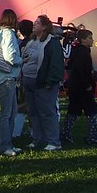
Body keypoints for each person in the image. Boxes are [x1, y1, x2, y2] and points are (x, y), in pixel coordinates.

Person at [22, 14, 64, 150]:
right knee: (32, 112)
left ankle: (53, 141)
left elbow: (56, 64)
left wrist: (50, 81)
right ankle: (37, 138)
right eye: (34, 22)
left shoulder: (52, 42)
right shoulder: (31, 41)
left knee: (47, 112)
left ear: (45, 27)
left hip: (43, 82)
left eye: (37, 23)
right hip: (28, 80)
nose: (34, 24)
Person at [61, 29, 97, 146]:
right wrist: (87, 84)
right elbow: (79, 69)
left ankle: (65, 134)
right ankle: (93, 136)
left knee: (73, 110)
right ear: (82, 40)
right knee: (92, 111)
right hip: (82, 87)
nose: (92, 40)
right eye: (90, 38)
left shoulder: (78, 51)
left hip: (75, 86)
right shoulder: (82, 52)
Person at [0, 10, 21, 155]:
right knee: (7, 113)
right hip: (7, 76)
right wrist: (21, 60)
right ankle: (5, 145)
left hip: (2, 76)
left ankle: (8, 143)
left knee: (12, 112)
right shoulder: (9, 34)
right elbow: (10, 57)